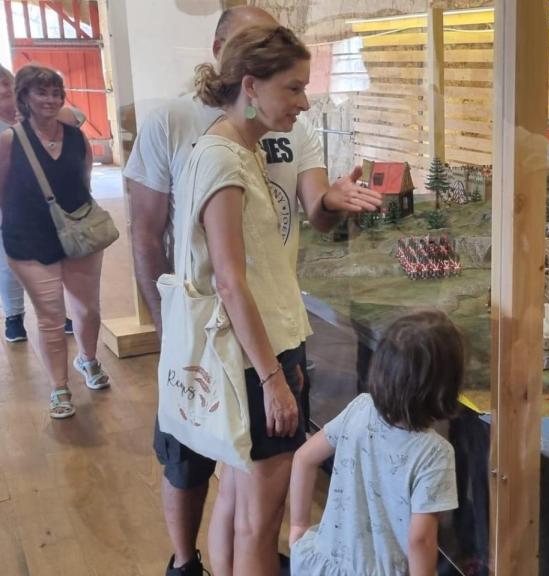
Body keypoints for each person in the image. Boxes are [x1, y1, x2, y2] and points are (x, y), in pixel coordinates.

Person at [125, 9, 381, 575]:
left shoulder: (230, 149)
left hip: (255, 348)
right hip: (259, 355)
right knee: (259, 526)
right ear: (250, 87)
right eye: (293, 87)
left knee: (241, 508)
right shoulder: (224, 160)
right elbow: (231, 282)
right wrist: (273, 381)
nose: (303, 103)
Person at [288, 310, 462, 576]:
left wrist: (298, 527)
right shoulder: (435, 453)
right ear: (446, 384)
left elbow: (304, 457)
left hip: (324, 565)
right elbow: (421, 540)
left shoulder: (360, 408)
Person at [0, 64, 111, 419]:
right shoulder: (9, 140)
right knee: (50, 317)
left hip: (79, 232)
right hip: (29, 238)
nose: (50, 100)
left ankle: (87, 360)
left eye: (56, 93)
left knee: (87, 309)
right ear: (24, 96)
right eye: (42, 92)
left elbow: (84, 179)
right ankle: (59, 386)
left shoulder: (75, 136)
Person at [0, 63, 83, 342]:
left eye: (5, 83)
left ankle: (57, 313)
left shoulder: (34, 110)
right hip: (6, 200)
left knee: (53, 256)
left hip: (47, 197)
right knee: (11, 258)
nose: (2, 89)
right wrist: (11, 141)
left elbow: (77, 117)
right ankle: (13, 317)